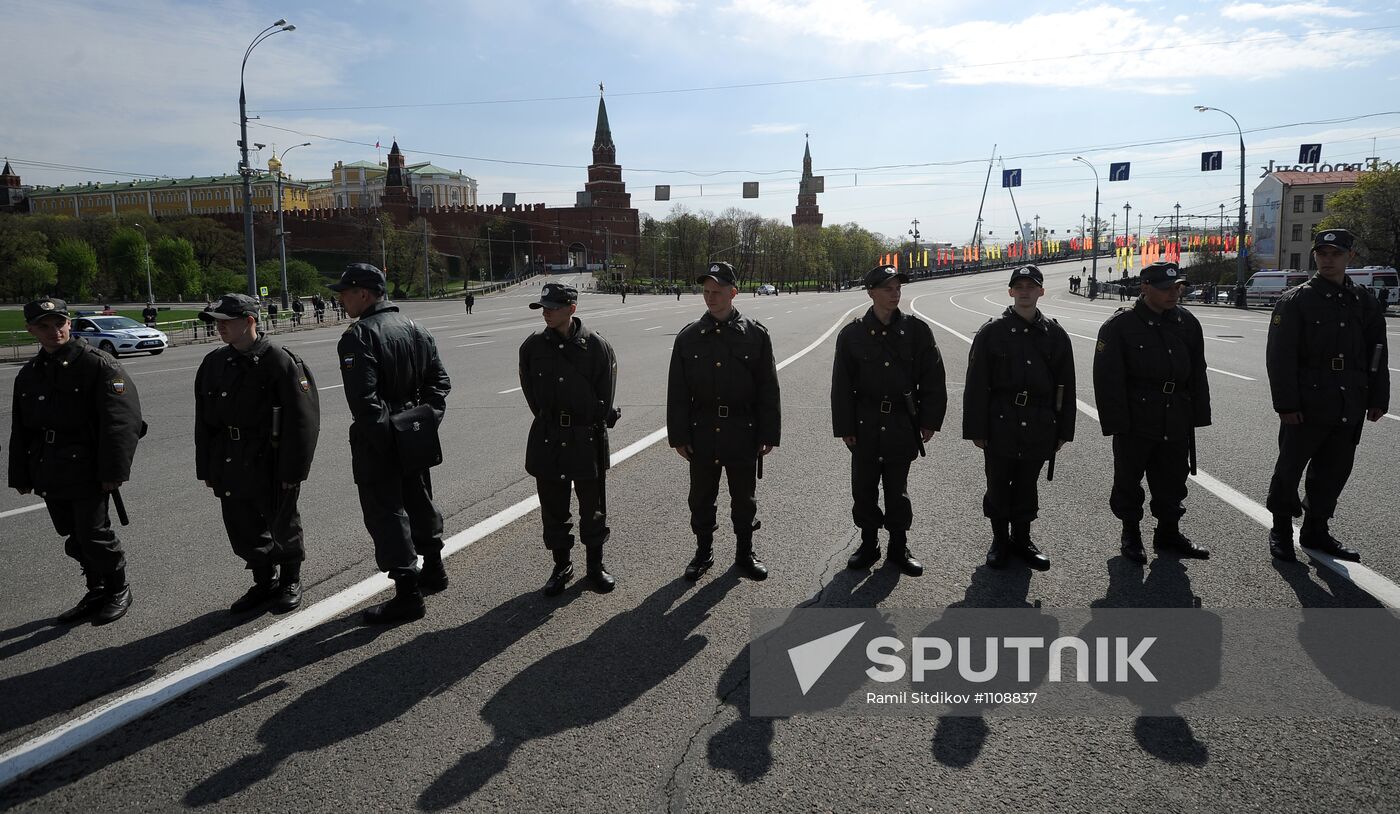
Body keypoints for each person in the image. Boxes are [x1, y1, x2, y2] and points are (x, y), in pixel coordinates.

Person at [8, 298, 143, 624]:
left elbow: (122, 422)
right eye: (44, 325)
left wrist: (113, 470)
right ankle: (95, 588)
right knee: (73, 535)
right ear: (31, 330)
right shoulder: (29, 374)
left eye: (59, 323)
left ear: (69, 323)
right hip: (49, 467)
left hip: (88, 466)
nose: (54, 331)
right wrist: (21, 475)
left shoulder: (97, 364)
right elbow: (22, 429)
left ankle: (117, 588)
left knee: (94, 533)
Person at [332, 263, 452, 623]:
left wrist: (389, 437)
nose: (340, 298)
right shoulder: (415, 328)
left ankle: (408, 594)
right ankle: (434, 568)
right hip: (412, 431)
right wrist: (420, 424)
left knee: (386, 513)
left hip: (380, 439)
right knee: (420, 500)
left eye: (345, 291)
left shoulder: (359, 336)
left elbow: (365, 402)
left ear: (364, 294)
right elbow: (440, 384)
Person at [1265, 228, 1389, 562]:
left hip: (1349, 399)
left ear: (1350, 257)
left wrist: (1378, 397)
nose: (1328, 260)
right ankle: (1280, 530)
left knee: (1333, 471)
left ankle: (1316, 531)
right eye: (1322, 254)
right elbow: (1280, 357)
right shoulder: (1296, 300)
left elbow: (1377, 350)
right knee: (1289, 469)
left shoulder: (1363, 300)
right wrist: (1286, 404)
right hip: (1308, 401)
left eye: (1336, 254)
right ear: (1315, 256)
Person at [195, 294, 320, 614]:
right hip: (229, 458)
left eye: (227, 322)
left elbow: (302, 423)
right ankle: (264, 581)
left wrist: (293, 472)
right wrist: (206, 468)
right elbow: (204, 421)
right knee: (242, 524)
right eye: (217, 322)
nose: (219, 328)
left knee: (282, 523)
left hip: (270, 458)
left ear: (250, 321)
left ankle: (290, 580)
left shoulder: (279, 360)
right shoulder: (214, 363)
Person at [668, 262, 780, 582]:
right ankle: (704, 552)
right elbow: (677, 391)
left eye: (717, 291)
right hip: (702, 430)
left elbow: (768, 388)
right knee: (701, 497)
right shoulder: (689, 337)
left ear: (733, 292)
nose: (710, 297)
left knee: (744, 498)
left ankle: (745, 553)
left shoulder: (755, 335)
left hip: (742, 430)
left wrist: (768, 433)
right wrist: (678, 435)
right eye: (706, 291)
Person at [1093, 261, 1212, 563]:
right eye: (1164, 288)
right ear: (1145, 288)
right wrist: (1117, 423)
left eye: (1176, 287)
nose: (1173, 293)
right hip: (1137, 417)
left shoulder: (1186, 322)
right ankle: (1130, 533)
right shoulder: (1121, 325)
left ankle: (1168, 532)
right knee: (1129, 480)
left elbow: (1198, 370)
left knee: (1173, 478)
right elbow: (1107, 379)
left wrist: (1198, 415)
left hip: (1176, 415)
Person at [832, 266, 947, 576]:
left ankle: (899, 546)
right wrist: (845, 428)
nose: (894, 292)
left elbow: (934, 379)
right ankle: (868, 544)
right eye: (887, 288)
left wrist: (929, 421)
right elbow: (841, 385)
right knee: (864, 489)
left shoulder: (917, 332)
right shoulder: (852, 335)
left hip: (902, 422)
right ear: (871, 292)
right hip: (865, 423)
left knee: (898, 490)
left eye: (897, 287)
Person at [963, 265, 1075, 571]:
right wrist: (976, 428)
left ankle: (1023, 539)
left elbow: (1066, 384)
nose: (1025, 292)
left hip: (1040, 421)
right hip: (1001, 420)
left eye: (1031, 286)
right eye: (1019, 286)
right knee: (998, 483)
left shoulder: (1054, 334)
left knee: (1027, 483)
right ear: (1011, 291)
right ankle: (1000, 540)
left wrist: (1064, 429)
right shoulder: (992, 332)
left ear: (1041, 291)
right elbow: (976, 383)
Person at [519, 283, 621, 595]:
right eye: (543, 307)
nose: (546, 312)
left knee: (593, 507)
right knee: (553, 508)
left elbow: (605, 395)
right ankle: (561, 565)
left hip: (585, 437)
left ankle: (595, 566)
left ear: (572, 309)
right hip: (549, 436)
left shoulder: (596, 346)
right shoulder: (532, 347)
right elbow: (532, 396)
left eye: (552, 306)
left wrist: (581, 421)